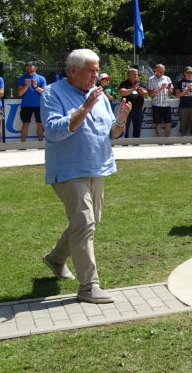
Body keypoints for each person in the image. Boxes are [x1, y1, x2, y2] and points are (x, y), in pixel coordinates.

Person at [41, 49, 130, 304]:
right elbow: (54, 130)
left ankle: (56, 258)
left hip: (97, 167)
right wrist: (86, 106)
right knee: (84, 223)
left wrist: (121, 120)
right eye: (91, 70)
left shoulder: (99, 95)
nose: (96, 75)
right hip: (68, 170)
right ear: (72, 70)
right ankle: (89, 286)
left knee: (89, 222)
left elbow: (112, 132)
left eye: (97, 70)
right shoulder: (52, 93)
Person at [17, 61, 47, 143]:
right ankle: (23, 145)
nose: (28, 68)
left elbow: (44, 92)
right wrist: (26, 86)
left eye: (30, 66)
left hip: (39, 105)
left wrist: (35, 86)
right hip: (26, 105)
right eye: (27, 66)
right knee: (25, 124)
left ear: (36, 67)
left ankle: (40, 144)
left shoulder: (41, 78)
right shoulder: (22, 78)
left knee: (40, 124)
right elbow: (20, 93)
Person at [118, 68, 147, 138]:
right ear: (128, 75)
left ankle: (136, 142)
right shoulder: (124, 83)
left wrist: (142, 92)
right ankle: (125, 142)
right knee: (125, 126)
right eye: (134, 75)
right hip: (127, 110)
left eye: (137, 74)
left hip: (138, 109)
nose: (136, 76)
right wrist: (132, 89)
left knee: (138, 127)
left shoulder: (141, 83)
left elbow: (146, 93)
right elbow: (122, 92)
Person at [147, 64, 174, 138]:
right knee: (158, 123)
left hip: (166, 104)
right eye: (160, 71)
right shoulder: (151, 79)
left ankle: (167, 139)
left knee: (168, 122)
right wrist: (161, 88)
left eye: (163, 71)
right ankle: (160, 140)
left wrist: (169, 89)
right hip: (157, 105)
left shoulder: (167, 78)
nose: (162, 72)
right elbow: (151, 94)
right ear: (155, 70)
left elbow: (171, 93)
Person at [174, 67, 192, 137]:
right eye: (187, 73)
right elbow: (177, 95)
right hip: (183, 106)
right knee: (183, 123)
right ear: (185, 73)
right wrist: (185, 92)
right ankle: (184, 138)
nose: (189, 74)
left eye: (191, 73)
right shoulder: (180, 82)